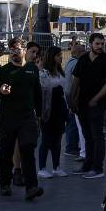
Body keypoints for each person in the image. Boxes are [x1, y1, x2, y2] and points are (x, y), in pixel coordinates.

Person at [0, 39, 43, 200]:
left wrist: (39, 115)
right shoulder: (3, 71)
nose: (14, 52)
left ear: (24, 52)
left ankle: (31, 187)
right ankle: (5, 183)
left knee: (27, 148)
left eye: (18, 49)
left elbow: (37, 93)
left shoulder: (32, 69)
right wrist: (1, 91)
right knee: (6, 151)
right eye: (11, 50)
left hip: (27, 117)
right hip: (8, 117)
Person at [69, 32, 106, 179]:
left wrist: (96, 98)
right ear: (91, 44)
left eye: (102, 44)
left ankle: (98, 168)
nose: (100, 46)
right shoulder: (83, 59)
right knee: (87, 135)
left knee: (97, 136)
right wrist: (72, 98)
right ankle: (87, 165)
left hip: (96, 104)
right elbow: (76, 80)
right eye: (97, 44)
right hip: (82, 103)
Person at [37, 46, 69, 179]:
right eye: (58, 55)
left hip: (61, 109)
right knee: (46, 139)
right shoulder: (44, 73)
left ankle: (56, 167)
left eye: (61, 55)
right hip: (49, 110)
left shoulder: (60, 72)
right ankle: (42, 167)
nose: (61, 57)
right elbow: (43, 89)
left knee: (57, 139)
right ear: (52, 57)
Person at [63, 41, 86, 159]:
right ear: (76, 53)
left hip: (68, 94)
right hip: (72, 95)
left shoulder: (69, 62)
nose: (85, 53)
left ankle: (71, 146)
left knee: (71, 121)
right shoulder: (77, 63)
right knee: (73, 122)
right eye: (82, 51)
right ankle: (71, 147)